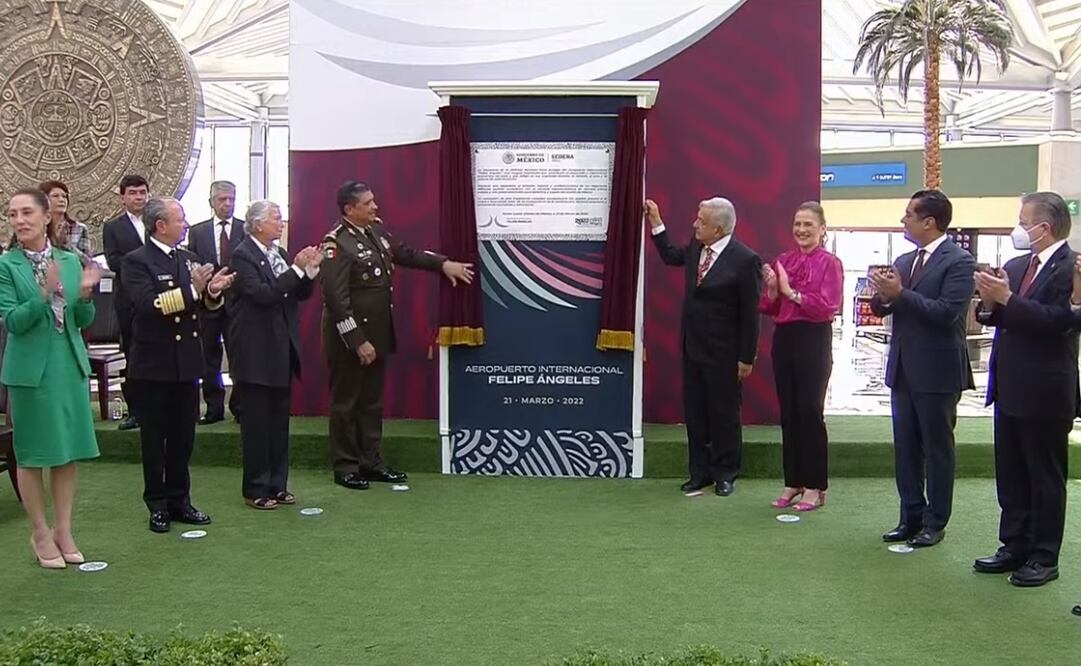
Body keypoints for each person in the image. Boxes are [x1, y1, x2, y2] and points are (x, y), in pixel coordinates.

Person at [321, 181, 473, 490]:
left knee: (372, 403)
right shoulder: (337, 243)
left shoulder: (375, 232)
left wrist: (443, 264)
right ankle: (346, 466)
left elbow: (406, 253)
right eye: (368, 203)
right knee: (346, 403)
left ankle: (371, 461)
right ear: (350, 209)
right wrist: (358, 341)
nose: (375, 207)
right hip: (351, 340)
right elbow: (336, 301)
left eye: (374, 200)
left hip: (377, 336)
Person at [971, 192, 1078, 587]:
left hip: (1047, 392)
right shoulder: (1016, 265)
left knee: (1045, 476)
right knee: (1011, 473)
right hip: (1009, 386)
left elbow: (1061, 322)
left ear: (1044, 228)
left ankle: (1044, 556)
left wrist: (1008, 300)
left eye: (1023, 220)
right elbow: (995, 316)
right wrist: (988, 302)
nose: (1019, 227)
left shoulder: (1072, 268)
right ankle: (1013, 544)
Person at [0, 188, 102, 568]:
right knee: (32, 454)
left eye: (27, 212)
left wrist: (86, 297)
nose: (20, 220)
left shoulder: (69, 260)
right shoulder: (6, 266)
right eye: (13, 214)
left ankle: (64, 529)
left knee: (66, 452)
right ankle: (40, 532)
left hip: (67, 363)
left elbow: (80, 321)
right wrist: (43, 294)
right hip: (30, 370)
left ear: (47, 217)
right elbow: (13, 321)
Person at [869, 189, 975, 548]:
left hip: (939, 371)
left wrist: (899, 294)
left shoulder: (959, 261)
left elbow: (947, 313)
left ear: (929, 222)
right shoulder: (904, 258)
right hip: (903, 369)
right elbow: (888, 307)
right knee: (906, 448)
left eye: (909, 215)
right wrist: (882, 295)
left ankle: (935, 522)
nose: (903, 220)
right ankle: (909, 516)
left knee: (937, 448)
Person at [122, 197, 234, 533]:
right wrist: (192, 290)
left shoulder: (188, 259)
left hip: (186, 364)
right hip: (153, 365)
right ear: (160, 225)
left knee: (183, 438)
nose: (185, 225)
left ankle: (180, 500)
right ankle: (157, 504)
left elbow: (203, 307)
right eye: (180, 219)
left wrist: (212, 291)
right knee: (155, 440)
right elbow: (147, 306)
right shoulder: (136, 261)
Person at [644, 196, 762, 497]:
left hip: (725, 353)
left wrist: (746, 356)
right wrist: (655, 220)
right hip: (692, 346)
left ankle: (725, 472)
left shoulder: (745, 260)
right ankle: (699, 472)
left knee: (723, 414)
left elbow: (751, 314)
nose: (695, 224)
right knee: (695, 413)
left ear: (719, 229)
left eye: (702, 221)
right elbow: (671, 256)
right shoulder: (697, 247)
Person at [227, 200, 321, 509]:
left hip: (282, 348)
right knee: (257, 424)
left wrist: (309, 271)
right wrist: (295, 269)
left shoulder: (278, 254)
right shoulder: (242, 255)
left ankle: (277, 484)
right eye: (275, 219)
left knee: (279, 423)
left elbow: (297, 293)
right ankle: (256, 487)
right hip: (255, 351)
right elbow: (264, 294)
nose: (281, 224)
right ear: (256, 225)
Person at [759, 202, 843, 511]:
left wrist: (791, 293)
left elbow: (827, 306)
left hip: (814, 339)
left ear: (822, 229)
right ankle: (792, 482)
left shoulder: (830, 263)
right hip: (785, 340)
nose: (802, 230)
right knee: (789, 412)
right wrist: (771, 290)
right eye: (797, 224)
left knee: (809, 411)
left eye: (808, 224)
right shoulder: (784, 260)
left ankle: (815, 486)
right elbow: (769, 308)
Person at [186, 181, 246, 425]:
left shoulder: (245, 228)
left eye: (231, 199)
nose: (227, 204)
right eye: (222, 199)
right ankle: (213, 407)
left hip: (238, 302)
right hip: (208, 303)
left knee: (239, 355)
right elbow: (192, 263)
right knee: (208, 356)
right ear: (211, 201)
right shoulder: (198, 232)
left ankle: (240, 407)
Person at [102, 174, 150, 431]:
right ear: (122, 198)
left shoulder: (157, 222)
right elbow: (114, 262)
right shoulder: (113, 227)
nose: (138, 197)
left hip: (160, 298)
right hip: (129, 301)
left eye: (142, 192)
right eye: (133, 193)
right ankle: (135, 411)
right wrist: (146, 265)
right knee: (132, 354)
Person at [38, 180, 92, 264]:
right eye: (55, 196)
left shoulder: (79, 228)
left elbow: (87, 263)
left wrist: (66, 245)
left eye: (64, 196)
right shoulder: (36, 228)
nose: (61, 200)